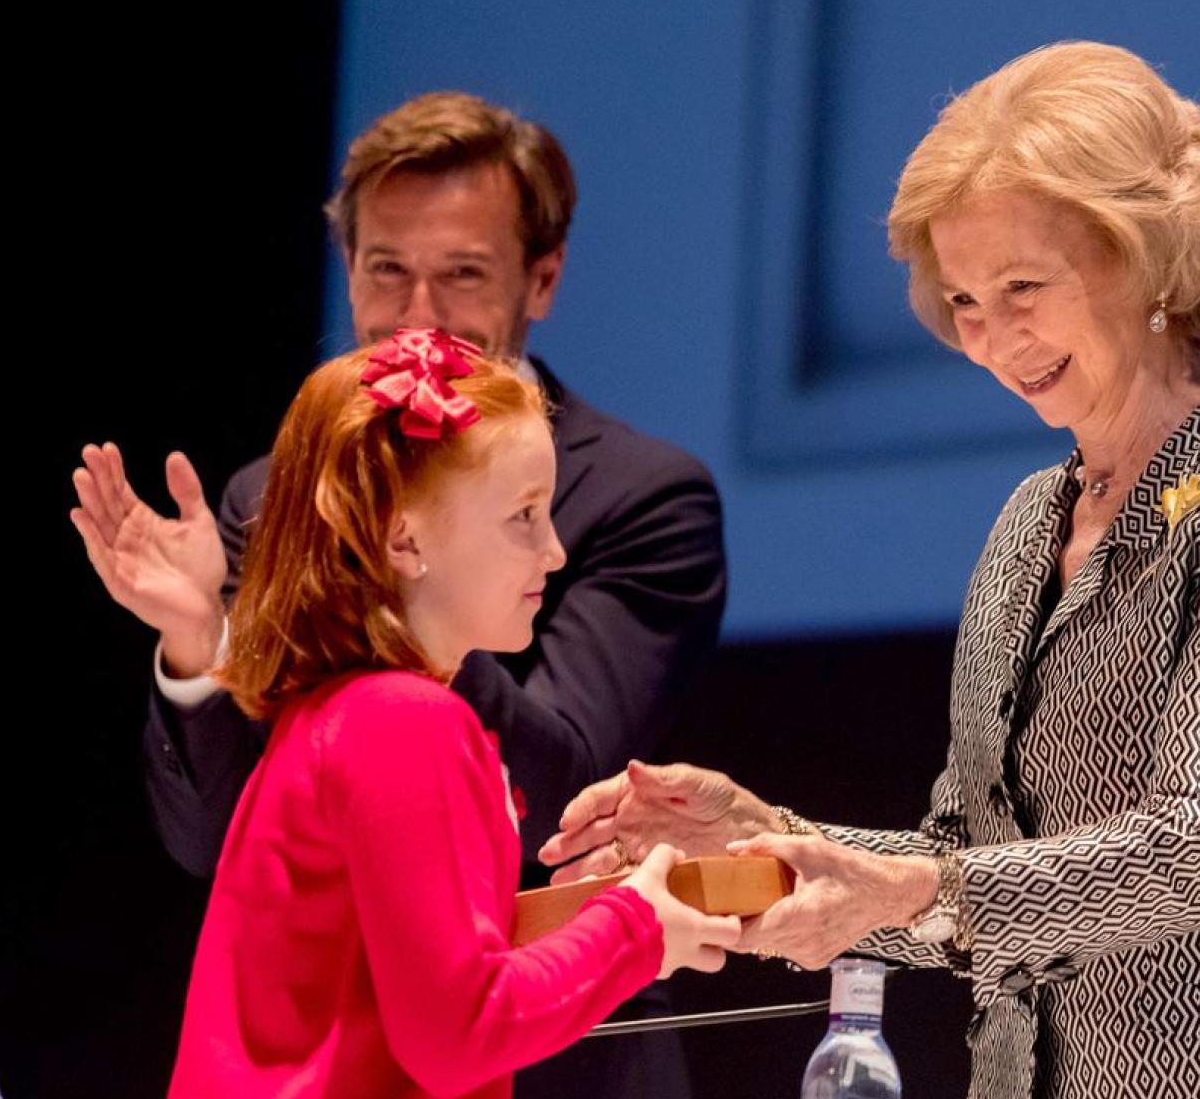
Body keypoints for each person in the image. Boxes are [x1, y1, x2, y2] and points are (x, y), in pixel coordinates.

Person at [542, 42, 1200, 1097]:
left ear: (1143, 256)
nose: (993, 338)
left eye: (1022, 287)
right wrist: (771, 838)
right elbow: (966, 860)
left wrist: (901, 885)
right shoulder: (1026, 523)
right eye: (962, 301)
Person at [68, 92, 722, 1096]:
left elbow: (565, 785)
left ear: (540, 277)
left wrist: (371, 610)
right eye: (387, 269)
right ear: (401, 534)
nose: (419, 315)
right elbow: (453, 1031)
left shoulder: (645, 499)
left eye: (462, 272)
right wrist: (210, 638)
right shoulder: (404, 717)